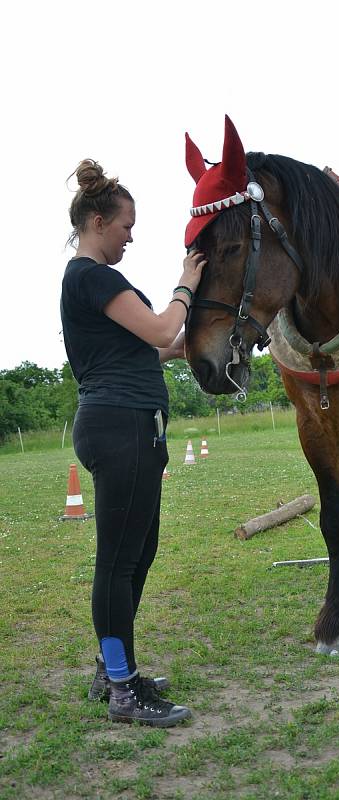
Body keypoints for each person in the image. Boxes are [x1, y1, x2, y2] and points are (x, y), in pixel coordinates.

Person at [60, 159, 207, 727]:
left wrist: (207, 347)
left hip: (133, 425)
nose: (130, 235)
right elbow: (162, 327)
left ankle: (111, 666)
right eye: (126, 225)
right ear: (98, 222)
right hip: (119, 427)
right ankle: (122, 688)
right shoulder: (91, 276)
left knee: (138, 553)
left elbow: (155, 349)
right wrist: (186, 283)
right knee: (117, 563)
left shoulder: (92, 283)